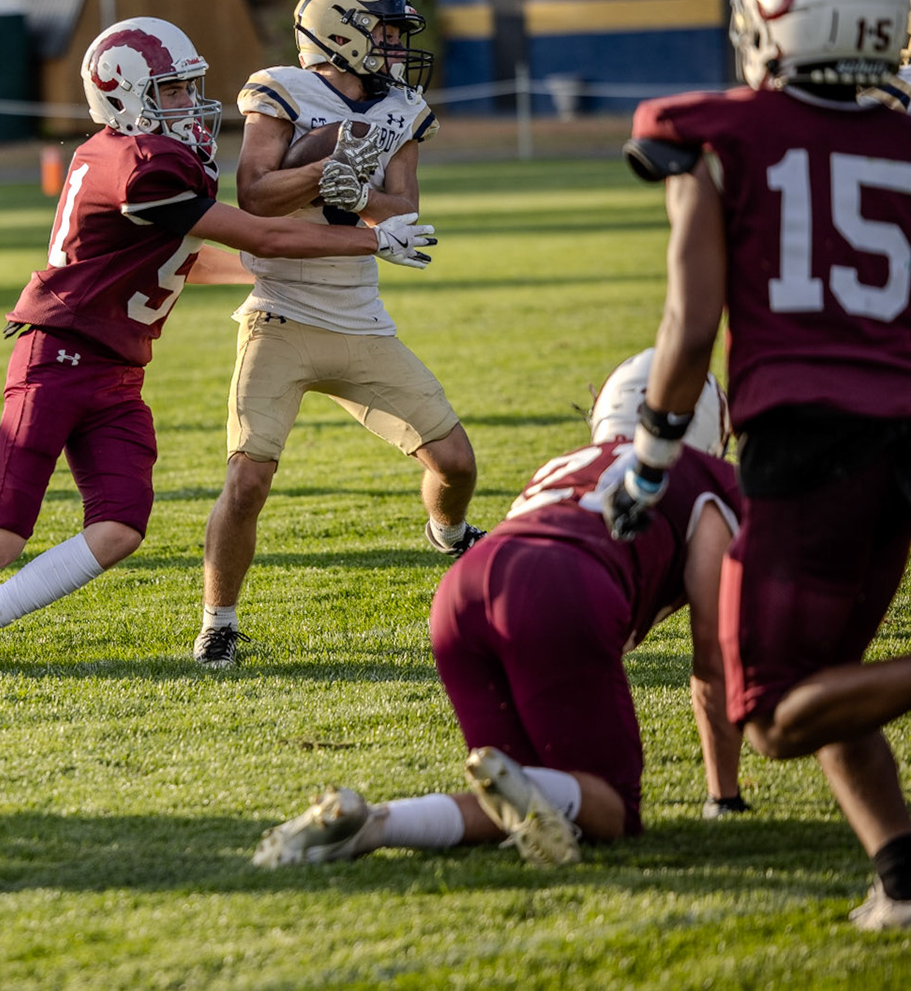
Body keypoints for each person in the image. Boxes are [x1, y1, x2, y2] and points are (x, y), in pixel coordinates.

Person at [0, 16, 439, 681]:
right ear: (122, 94)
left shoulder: (146, 157)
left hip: (117, 368)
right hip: (57, 359)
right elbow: (262, 234)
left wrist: (275, 275)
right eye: (169, 92)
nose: (188, 104)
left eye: (188, 88)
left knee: (119, 529)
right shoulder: (141, 163)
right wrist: (372, 239)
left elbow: (181, 257)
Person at [604, 0, 911, 930]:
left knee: (773, 712)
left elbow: (692, 324)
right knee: (832, 682)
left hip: (812, 442)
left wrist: (652, 455)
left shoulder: (715, 131)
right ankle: (901, 882)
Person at [255, 351, 744, 869]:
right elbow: (713, 657)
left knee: (528, 801)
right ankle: (375, 823)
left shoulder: (563, 464)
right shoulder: (707, 478)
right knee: (613, 808)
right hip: (558, 588)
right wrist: (724, 795)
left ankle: (369, 823)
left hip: (463, 591)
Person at [193, 0, 479, 669]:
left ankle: (447, 534)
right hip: (281, 317)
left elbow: (402, 207)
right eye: (384, 29)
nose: (393, 45)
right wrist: (326, 168)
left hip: (361, 321)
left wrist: (366, 193)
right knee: (247, 480)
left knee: (457, 464)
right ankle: (217, 621)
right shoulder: (282, 89)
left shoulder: (403, 105)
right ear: (341, 29)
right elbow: (255, 194)